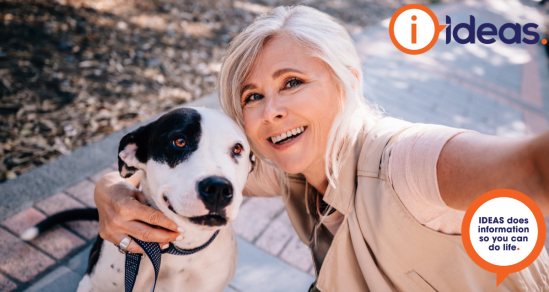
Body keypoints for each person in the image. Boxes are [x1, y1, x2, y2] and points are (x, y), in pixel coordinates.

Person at [94, 5, 549, 291]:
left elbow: (533, 167)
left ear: (347, 82)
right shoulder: (281, 163)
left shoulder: (407, 159)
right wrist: (110, 189)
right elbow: (182, 171)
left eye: (292, 82)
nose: (271, 110)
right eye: (252, 96)